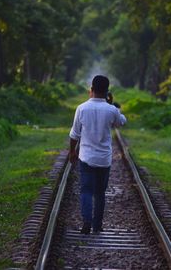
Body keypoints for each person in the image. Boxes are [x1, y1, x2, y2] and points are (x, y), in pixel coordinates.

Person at [69, 75, 126, 234]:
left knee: (86, 190)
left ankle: (86, 221)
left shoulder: (81, 108)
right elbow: (120, 122)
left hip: (86, 158)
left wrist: (72, 152)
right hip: (103, 160)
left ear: (91, 90)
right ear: (107, 92)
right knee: (100, 193)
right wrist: (115, 106)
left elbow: (74, 135)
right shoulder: (111, 110)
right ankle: (97, 225)